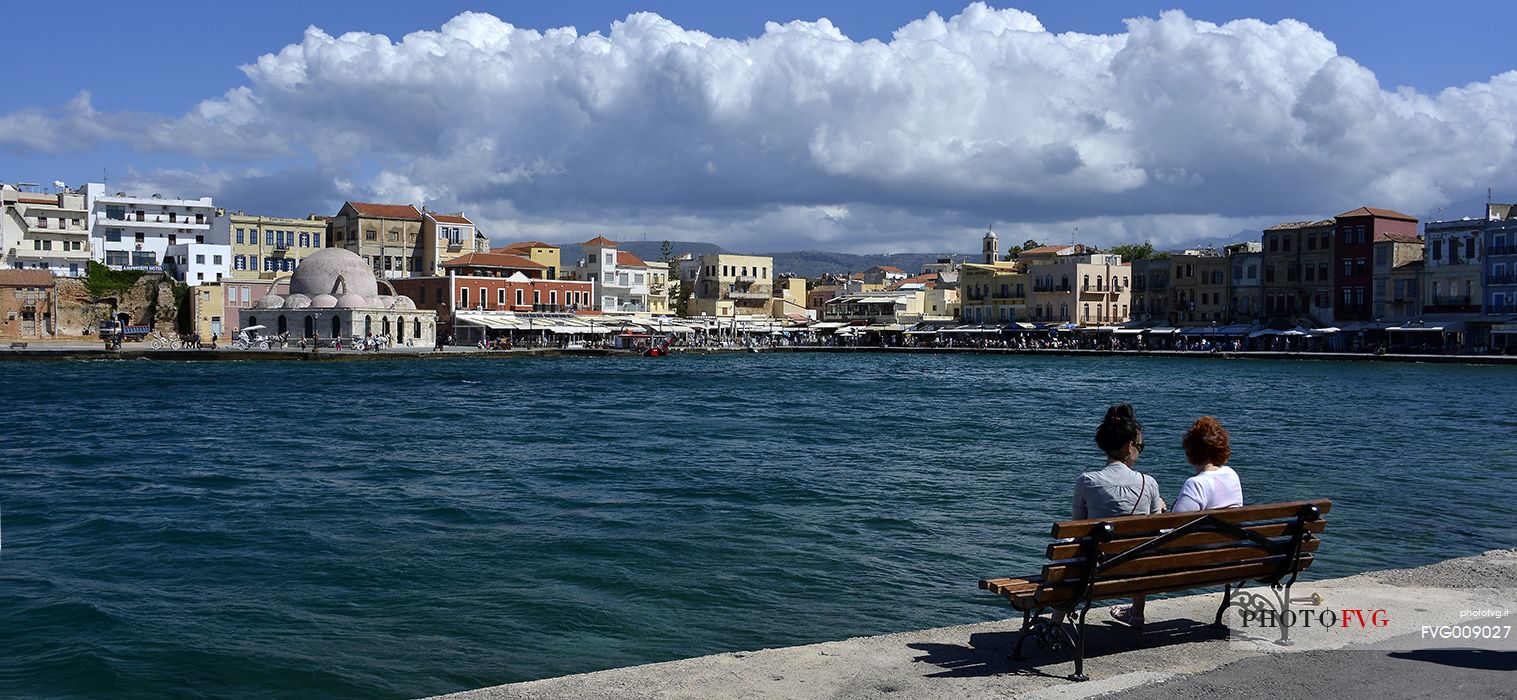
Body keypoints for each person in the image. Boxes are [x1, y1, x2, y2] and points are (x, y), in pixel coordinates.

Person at [1071, 403, 1164, 628]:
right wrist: (1161, 509)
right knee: (1142, 547)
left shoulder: (1086, 481)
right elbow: (1155, 533)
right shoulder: (1148, 483)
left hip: (1096, 572)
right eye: (1141, 446)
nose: (1140, 450)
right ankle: (1137, 613)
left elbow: (1078, 529)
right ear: (1130, 446)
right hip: (1136, 569)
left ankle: (1056, 619)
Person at [1171, 416, 1243, 512]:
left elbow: (1174, 524)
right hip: (1232, 527)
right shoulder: (1232, 474)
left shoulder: (1196, 485)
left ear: (1190, 450)